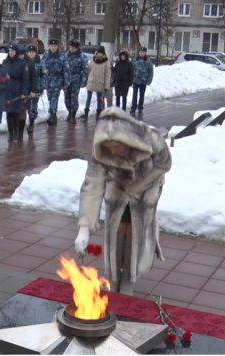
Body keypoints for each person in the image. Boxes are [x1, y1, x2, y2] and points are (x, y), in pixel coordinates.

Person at [74, 107, 171, 295]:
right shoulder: (101, 149)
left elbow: (164, 164)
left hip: (144, 193)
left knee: (135, 232)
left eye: (116, 145)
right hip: (117, 192)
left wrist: (141, 187)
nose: (112, 151)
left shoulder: (150, 137)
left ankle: (128, 276)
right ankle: (114, 276)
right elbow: (92, 184)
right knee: (116, 233)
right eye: (108, 146)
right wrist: (84, 228)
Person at [3, 44, 29, 143]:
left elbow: (25, 80)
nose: (11, 52)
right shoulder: (5, 62)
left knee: (17, 112)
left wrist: (24, 92)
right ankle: (11, 133)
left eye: (13, 51)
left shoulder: (22, 64)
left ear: (16, 52)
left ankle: (17, 132)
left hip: (18, 90)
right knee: (9, 113)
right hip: (8, 90)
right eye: (9, 51)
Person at [41, 38, 70, 126]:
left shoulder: (62, 56)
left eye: (55, 46)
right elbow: (41, 66)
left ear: (57, 47)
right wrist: (44, 71)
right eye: (51, 46)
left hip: (57, 80)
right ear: (49, 46)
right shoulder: (45, 55)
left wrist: (66, 82)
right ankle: (53, 115)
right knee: (50, 98)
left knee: (54, 98)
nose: (53, 48)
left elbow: (66, 70)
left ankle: (52, 115)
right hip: (48, 80)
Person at [82, 46, 111, 120]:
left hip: (100, 84)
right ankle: (86, 114)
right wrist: (86, 80)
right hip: (91, 82)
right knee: (88, 98)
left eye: (101, 53)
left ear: (104, 54)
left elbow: (108, 75)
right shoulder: (93, 60)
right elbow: (89, 70)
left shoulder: (106, 62)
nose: (99, 55)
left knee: (99, 99)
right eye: (98, 53)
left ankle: (98, 114)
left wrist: (106, 87)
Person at [64, 40, 89, 124]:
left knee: (74, 98)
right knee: (66, 98)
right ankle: (69, 111)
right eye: (70, 47)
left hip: (76, 78)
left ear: (77, 48)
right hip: (67, 79)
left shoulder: (82, 56)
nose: (70, 49)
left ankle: (73, 115)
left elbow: (85, 70)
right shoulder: (66, 55)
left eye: (72, 48)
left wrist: (83, 81)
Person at [25, 44, 43, 135]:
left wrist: (42, 87)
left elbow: (44, 75)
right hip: (26, 88)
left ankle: (31, 123)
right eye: (29, 52)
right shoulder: (24, 62)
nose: (31, 54)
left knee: (33, 106)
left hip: (37, 88)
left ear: (35, 53)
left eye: (33, 52)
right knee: (26, 106)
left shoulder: (40, 62)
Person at [130, 46, 153, 115]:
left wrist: (149, 80)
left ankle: (140, 107)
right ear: (138, 52)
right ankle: (133, 108)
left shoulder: (148, 61)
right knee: (134, 94)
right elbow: (131, 70)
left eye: (143, 52)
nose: (141, 53)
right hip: (135, 80)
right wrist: (131, 79)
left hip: (143, 81)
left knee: (142, 95)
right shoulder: (135, 60)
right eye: (140, 52)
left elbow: (151, 71)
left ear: (145, 53)